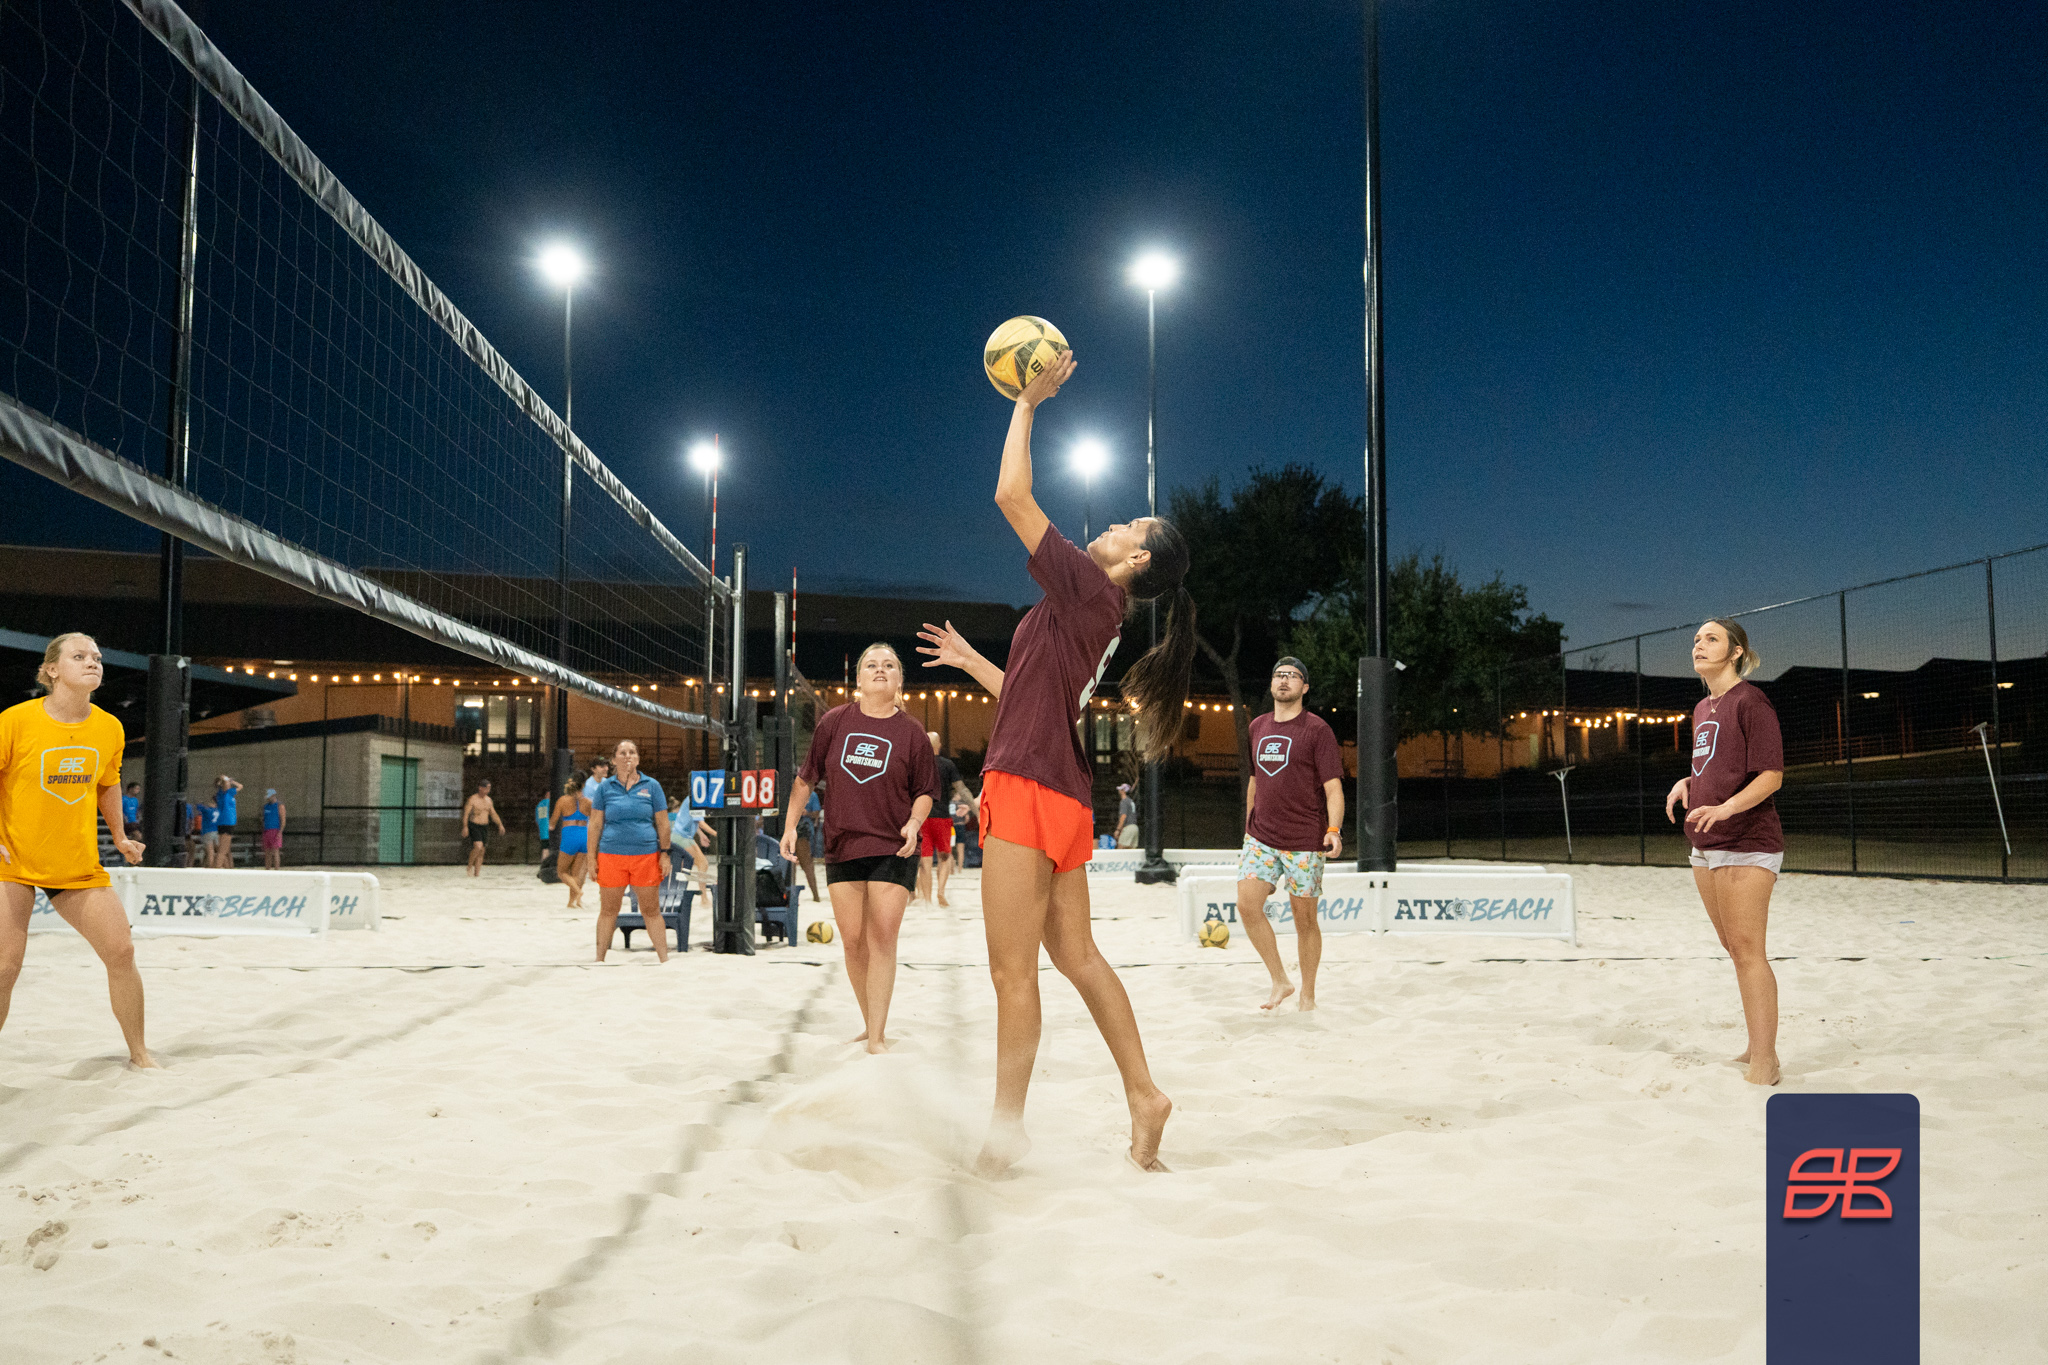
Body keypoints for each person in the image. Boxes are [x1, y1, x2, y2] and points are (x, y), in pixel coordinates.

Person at [916, 347, 1192, 1174]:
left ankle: (1006, 1132)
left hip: (1030, 787)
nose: (1113, 524)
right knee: (1075, 956)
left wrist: (1027, 401)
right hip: (1061, 790)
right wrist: (973, 660)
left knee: (1013, 972)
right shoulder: (1092, 608)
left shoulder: (1089, 587)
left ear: (1137, 561)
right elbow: (1034, 697)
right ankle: (1144, 1093)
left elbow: (1010, 493)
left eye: (1128, 527)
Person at [0, 633, 155, 1067]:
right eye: (80, 656)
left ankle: (140, 1055)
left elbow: (108, 783)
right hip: (13, 861)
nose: (93, 663)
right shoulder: (15, 720)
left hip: (74, 863)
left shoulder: (109, 727)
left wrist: (120, 837)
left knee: (121, 952)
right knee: (5, 967)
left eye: (97, 658)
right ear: (52, 669)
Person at [780, 643, 936, 1053]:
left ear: (899, 680)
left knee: (881, 936)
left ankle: (877, 1038)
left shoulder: (912, 733)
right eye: (871, 664)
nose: (880, 669)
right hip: (842, 842)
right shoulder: (834, 722)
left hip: (892, 845)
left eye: (889, 665)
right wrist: (790, 826)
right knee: (852, 941)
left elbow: (924, 791)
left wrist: (914, 823)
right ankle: (870, 1024)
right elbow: (805, 778)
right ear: (859, 679)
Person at [1665, 618, 1786, 1087]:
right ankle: (1757, 1045)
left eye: (1711, 639)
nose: (1699, 645)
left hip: (1747, 841)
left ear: (1736, 652)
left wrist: (1728, 807)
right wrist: (1688, 782)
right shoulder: (1703, 707)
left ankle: (1766, 1061)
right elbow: (1719, 765)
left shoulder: (1751, 701)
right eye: (1696, 640)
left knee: (1748, 949)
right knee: (1733, 947)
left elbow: (1771, 775)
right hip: (1705, 843)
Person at [1235, 657, 1345, 1012]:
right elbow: (1254, 780)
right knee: (1247, 906)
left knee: (1305, 922)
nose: (1284, 680)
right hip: (1261, 837)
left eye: (1293, 676)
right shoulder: (1257, 726)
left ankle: (1307, 994)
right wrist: (1248, 826)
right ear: (1271, 683)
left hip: (1304, 841)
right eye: (1279, 675)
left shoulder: (1317, 730)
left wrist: (1333, 830)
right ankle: (1280, 980)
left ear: (1305, 687)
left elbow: (1333, 788)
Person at [589, 739, 674, 961]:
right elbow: (595, 824)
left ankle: (664, 960)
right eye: (623, 752)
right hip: (611, 855)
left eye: (632, 752)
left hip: (646, 855)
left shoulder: (652, 785)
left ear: (638, 759)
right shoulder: (605, 788)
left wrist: (665, 853)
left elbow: (663, 823)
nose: (628, 756)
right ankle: (599, 960)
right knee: (608, 910)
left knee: (651, 910)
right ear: (613, 760)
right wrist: (591, 858)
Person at [916, 731, 974, 907]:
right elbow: (962, 789)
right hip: (942, 818)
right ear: (939, 745)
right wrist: (975, 810)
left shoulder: (917, 764)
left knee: (925, 860)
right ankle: (941, 892)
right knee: (945, 857)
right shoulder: (948, 765)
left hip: (922, 818)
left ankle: (927, 900)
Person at [551, 778, 590, 909]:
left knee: (561, 872)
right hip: (584, 835)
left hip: (570, 835)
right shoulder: (588, 802)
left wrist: (550, 827)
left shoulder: (563, 800)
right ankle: (572, 902)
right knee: (576, 874)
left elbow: (553, 822)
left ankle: (578, 892)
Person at [461, 780, 504, 876]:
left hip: (484, 826)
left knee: (482, 851)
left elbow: (493, 814)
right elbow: (466, 814)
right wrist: (465, 827)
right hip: (474, 825)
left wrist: (500, 824)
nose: (488, 790)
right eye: (486, 788)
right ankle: (469, 866)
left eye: (489, 788)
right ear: (480, 788)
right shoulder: (472, 799)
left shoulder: (489, 800)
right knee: (478, 846)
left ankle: (477, 873)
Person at [792, 785, 824, 901]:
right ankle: (795, 896)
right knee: (793, 865)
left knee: (806, 864)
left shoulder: (812, 795)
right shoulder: (791, 793)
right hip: (794, 827)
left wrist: (806, 813)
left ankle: (816, 895)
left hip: (802, 828)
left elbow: (816, 813)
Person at [211, 774, 244, 868]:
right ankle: (216, 869)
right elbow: (240, 786)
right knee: (223, 851)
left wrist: (227, 780)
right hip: (227, 822)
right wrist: (231, 781)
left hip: (222, 822)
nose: (230, 783)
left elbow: (240, 786)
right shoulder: (227, 792)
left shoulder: (221, 793)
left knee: (224, 850)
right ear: (224, 784)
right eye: (228, 782)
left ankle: (226, 868)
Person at [260, 789, 287, 869]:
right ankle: (267, 869)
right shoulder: (266, 806)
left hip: (275, 830)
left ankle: (276, 870)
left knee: (275, 851)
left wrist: (280, 831)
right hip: (267, 830)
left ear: (273, 796)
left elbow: (283, 820)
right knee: (267, 852)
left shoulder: (279, 806)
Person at [192, 791, 219, 868]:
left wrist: (202, 803)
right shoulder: (219, 810)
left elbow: (199, 806)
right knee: (213, 851)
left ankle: (211, 867)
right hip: (216, 831)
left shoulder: (207, 810)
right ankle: (206, 865)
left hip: (207, 831)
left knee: (210, 852)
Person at [1112, 782, 1139, 848]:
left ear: (1123, 791)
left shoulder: (1124, 801)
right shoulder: (1131, 801)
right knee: (1131, 851)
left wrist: (1118, 830)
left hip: (1128, 828)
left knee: (1121, 849)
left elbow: (1123, 816)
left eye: (1120, 789)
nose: (1119, 791)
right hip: (1135, 828)